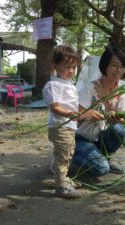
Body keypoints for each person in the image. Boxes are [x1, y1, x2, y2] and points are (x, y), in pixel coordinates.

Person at [72, 46, 125, 177]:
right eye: (114, 65)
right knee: (101, 169)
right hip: (82, 138)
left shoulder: (123, 88)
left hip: (101, 139)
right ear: (104, 66)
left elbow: (123, 118)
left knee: (119, 130)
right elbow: (76, 114)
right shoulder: (91, 87)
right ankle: (66, 154)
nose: (119, 70)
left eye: (122, 66)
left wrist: (116, 117)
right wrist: (86, 114)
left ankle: (103, 156)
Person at [42, 45, 85, 199]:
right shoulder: (53, 85)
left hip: (69, 126)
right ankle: (61, 187)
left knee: (68, 153)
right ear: (55, 65)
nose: (71, 71)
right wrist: (69, 113)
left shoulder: (69, 84)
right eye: (67, 67)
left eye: (74, 67)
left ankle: (63, 178)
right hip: (60, 126)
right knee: (63, 156)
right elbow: (55, 107)